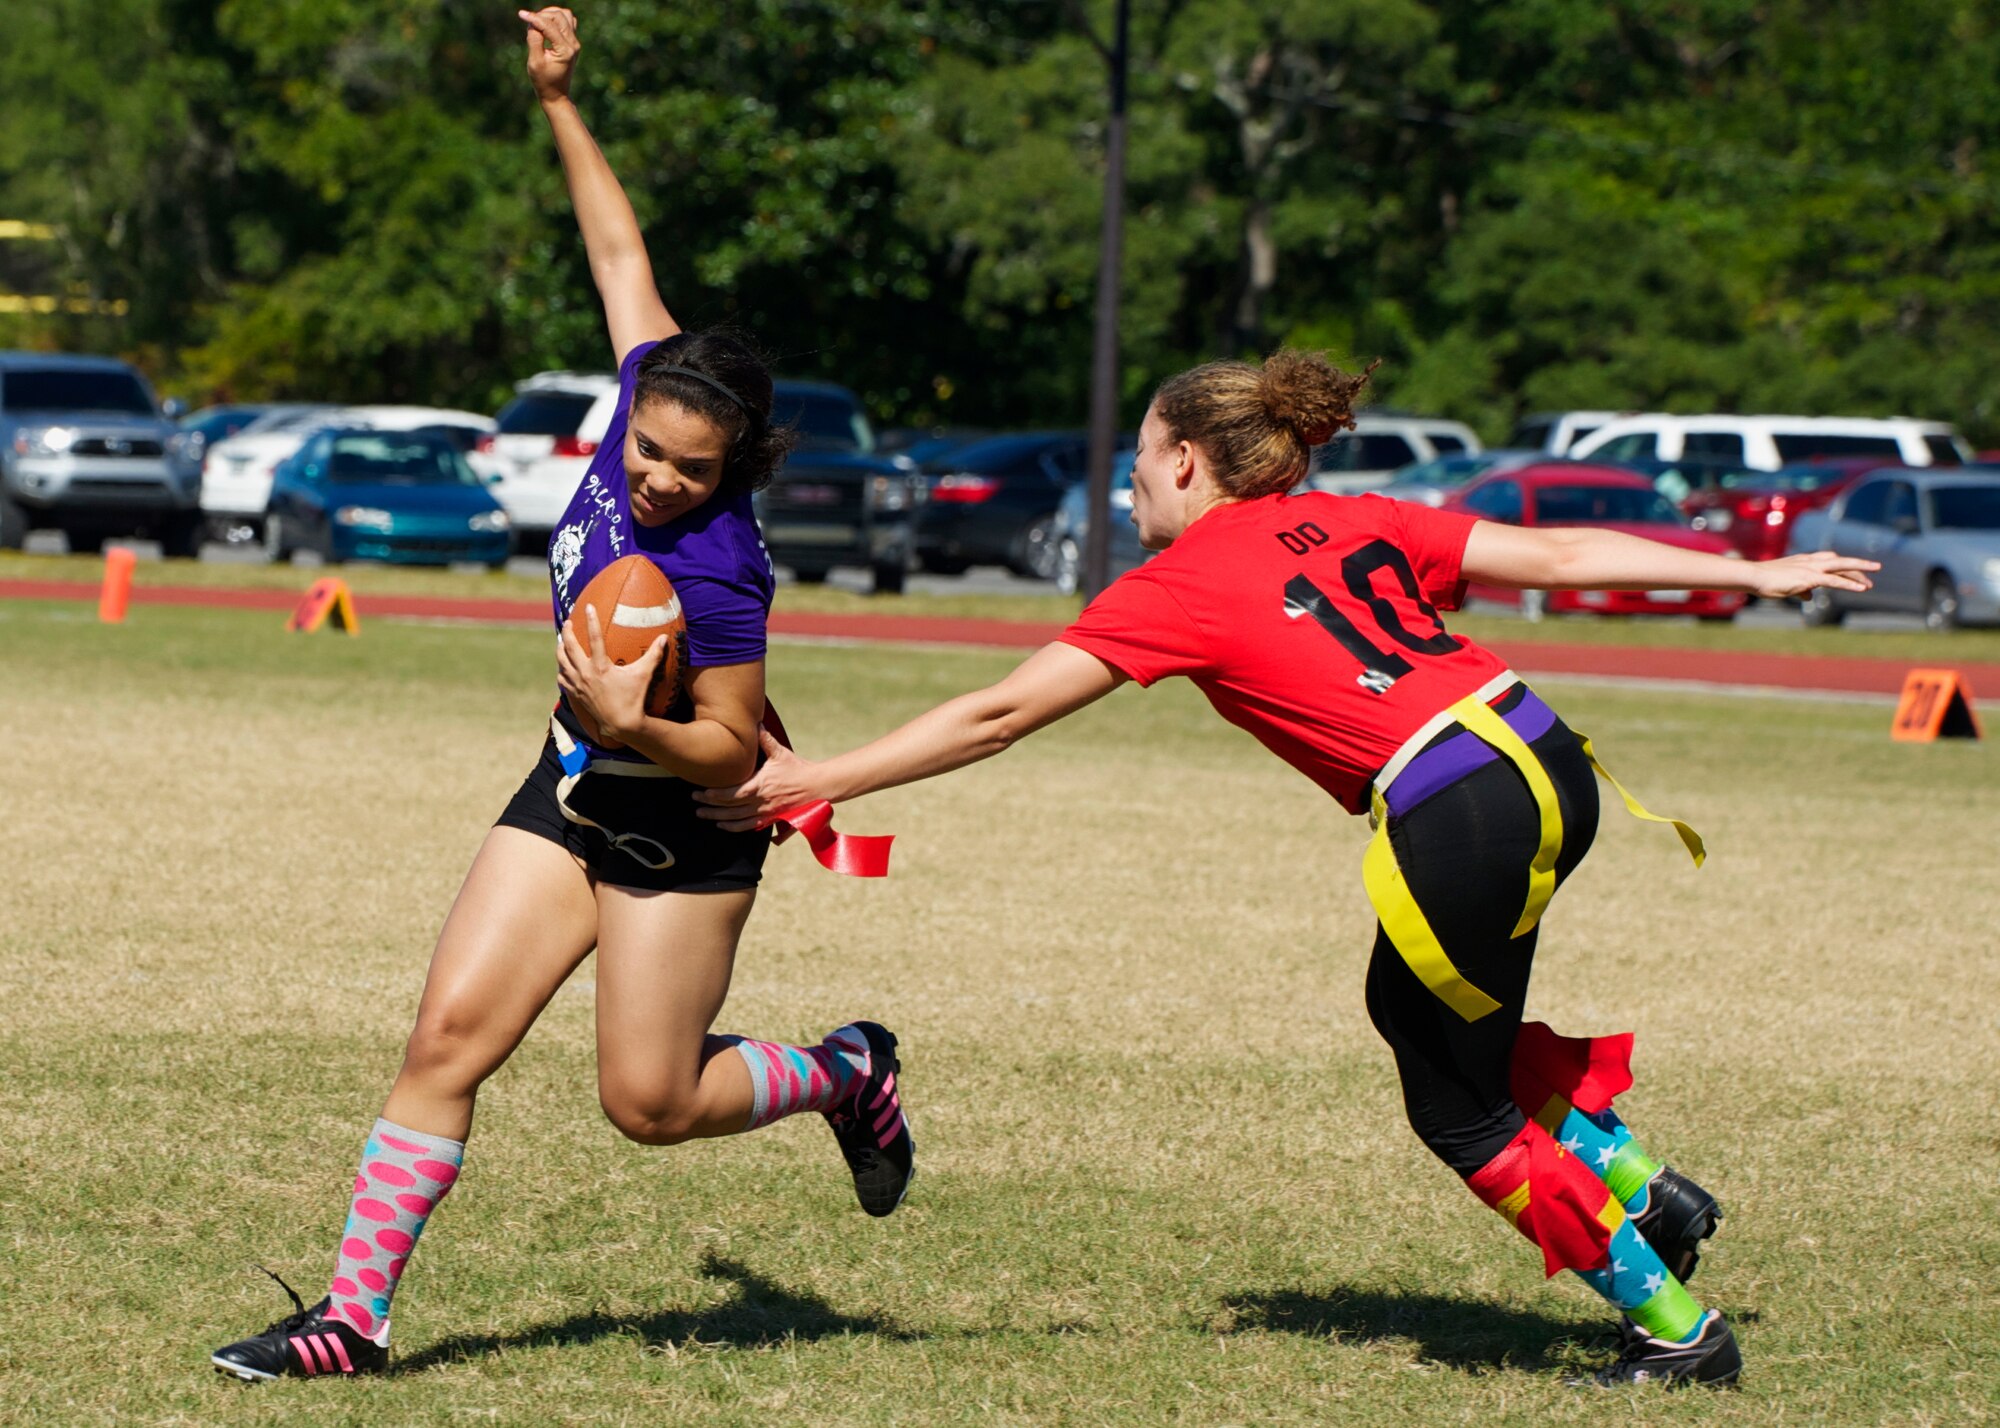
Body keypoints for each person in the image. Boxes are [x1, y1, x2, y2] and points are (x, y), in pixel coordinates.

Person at [697, 351, 1878, 1389]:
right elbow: (1559, 553)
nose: (1128, 484)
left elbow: (998, 713)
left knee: (1457, 1112)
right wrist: (1749, 575)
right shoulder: (1353, 516)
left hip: (1455, 802)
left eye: (1140, 462)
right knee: (1423, 1020)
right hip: (1543, 758)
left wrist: (826, 779)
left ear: (1188, 465)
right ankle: (1648, 1190)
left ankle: (1672, 1324)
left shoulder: (1175, 582)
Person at [209, 7, 913, 1383]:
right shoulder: (652, 376)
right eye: (645, 454)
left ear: (735, 471)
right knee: (445, 1041)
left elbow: (726, 748)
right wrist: (556, 101)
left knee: (647, 1104)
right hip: (570, 788)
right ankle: (353, 1322)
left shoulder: (724, 573)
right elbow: (616, 249)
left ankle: (846, 1070)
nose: (654, 480)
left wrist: (628, 721)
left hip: (684, 824)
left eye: (687, 472)